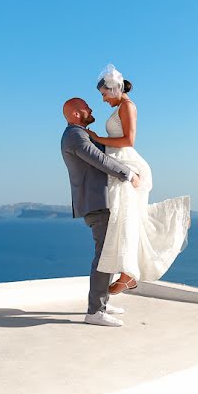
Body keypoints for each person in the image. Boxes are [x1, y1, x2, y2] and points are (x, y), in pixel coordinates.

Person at [86, 64, 190, 295]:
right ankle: (127, 274)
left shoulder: (128, 106)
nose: (103, 100)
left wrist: (97, 138)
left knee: (127, 218)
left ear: (113, 89)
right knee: (124, 217)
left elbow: (128, 140)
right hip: (120, 165)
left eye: (104, 94)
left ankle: (127, 274)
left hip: (130, 165)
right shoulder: (119, 107)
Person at [61, 97, 141, 327]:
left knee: (109, 253)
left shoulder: (81, 134)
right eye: (86, 107)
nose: (91, 109)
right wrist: (128, 174)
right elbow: (100, 160)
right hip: (96, 203)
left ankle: (102, 302)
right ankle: (95, 311)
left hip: (102, 202)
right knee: (103, 256)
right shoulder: (75, 136)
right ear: (76, 114)